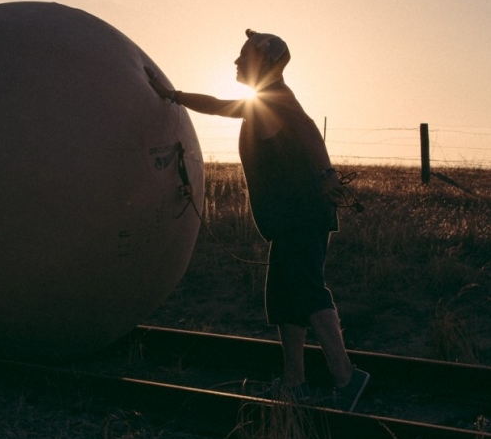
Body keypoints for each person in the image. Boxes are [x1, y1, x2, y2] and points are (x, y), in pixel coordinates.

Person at [145, 29, 369, 412]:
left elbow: (309, 131)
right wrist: (175, 97)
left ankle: (347, 377)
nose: (236, 61)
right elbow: (223, 106)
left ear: (265, 62)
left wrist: (327, 174)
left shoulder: (276, 101)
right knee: (284, 300)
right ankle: (294, 382)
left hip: (302, 217)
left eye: (244, 55)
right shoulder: (266, 101)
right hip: (288, 221)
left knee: (309, 291)